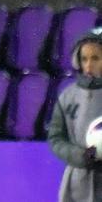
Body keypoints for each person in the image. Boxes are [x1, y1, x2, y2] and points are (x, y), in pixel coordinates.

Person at [48, 27, 102, 202]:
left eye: (95, 58)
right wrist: (79, 155)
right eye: (84, 59)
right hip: (77, 185)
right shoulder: (67, 96)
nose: (89, 65)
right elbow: (55, 138)